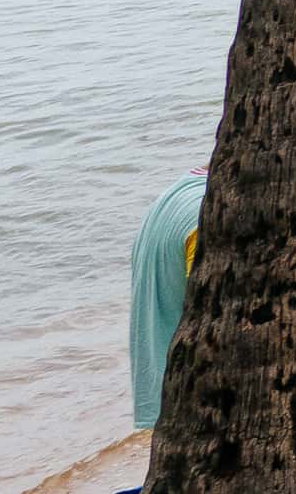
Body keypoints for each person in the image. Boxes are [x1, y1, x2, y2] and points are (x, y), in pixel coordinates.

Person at [128, 168, 206, 429]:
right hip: (198, 404)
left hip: (163, 397)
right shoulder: (208, 214)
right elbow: (215, 317)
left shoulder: (176, 193)